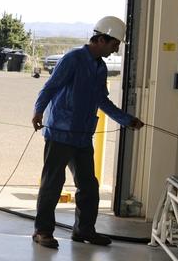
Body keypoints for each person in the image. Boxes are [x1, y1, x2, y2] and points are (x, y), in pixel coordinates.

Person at [30, 15, 143, 248]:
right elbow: (50, 87)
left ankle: (83, 230)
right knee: (52, 183)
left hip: (82, 136)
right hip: (60, 133)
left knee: (89, 185)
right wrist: (38, 111)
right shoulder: (73, 59)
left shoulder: (100, 68)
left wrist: (127, 120)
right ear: (101, 39)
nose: (115, 50)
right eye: (114, 45)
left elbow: (102, 100)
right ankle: (42, 231)